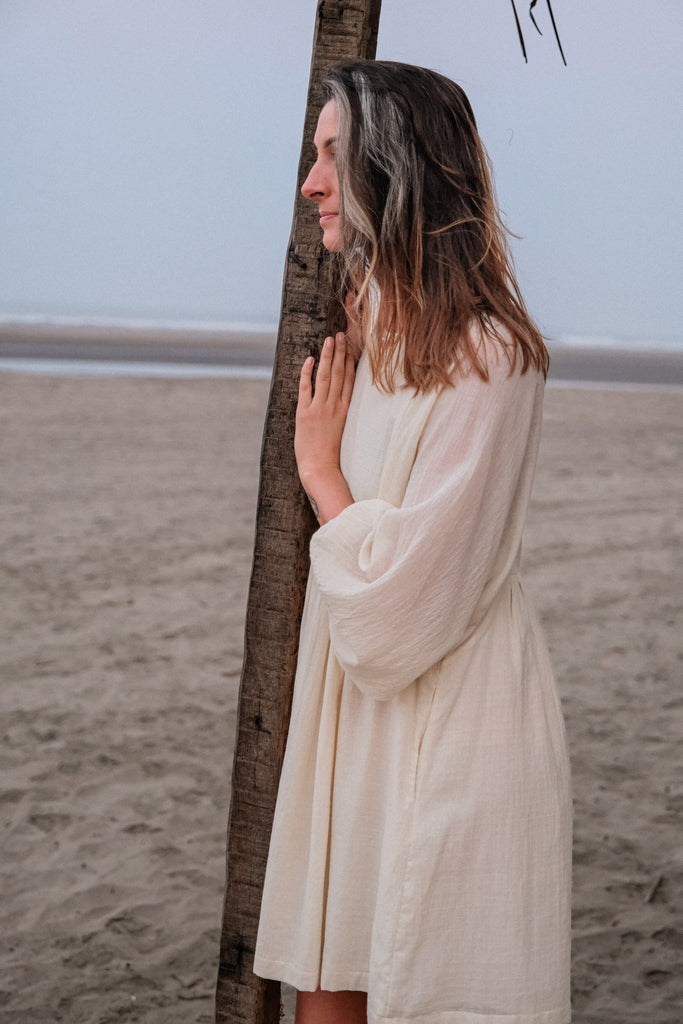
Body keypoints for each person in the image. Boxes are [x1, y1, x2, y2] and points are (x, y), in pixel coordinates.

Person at [253, 60, 572, 1024]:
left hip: (449, 718)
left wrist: (323, 476)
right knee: (330, 987)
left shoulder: (490, 355)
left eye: (330, 155)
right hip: (348, 714)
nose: (310, 181)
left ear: (396, 170)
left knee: (426, 980)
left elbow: (406, 603)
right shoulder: (368, 323)